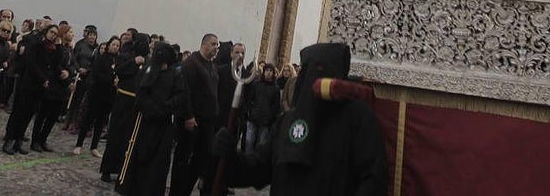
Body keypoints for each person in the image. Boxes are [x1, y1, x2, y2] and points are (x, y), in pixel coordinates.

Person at [211, 43, 388, 196]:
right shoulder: (287, 122)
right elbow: (257, 169)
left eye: (316, 70)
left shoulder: (358, 119)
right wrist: (230, 157)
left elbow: (373, 180)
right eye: (305, 70)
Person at [116, 42, 184, 196]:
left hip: (163, 124)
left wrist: (164, 107)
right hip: (144, 121)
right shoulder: (147, 71)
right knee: (138, 156)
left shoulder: (175, 74)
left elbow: (180, 96)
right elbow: (140, 93)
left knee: (158, 162)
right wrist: (150, 109)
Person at [169, 33, 219, 196]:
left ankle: (186, 190)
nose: (216, 47)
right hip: (192, 120)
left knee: (201, 158)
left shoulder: (211, 65)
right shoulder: (191, 63)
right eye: (213, 44)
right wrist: (189, 116)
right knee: (183, 159)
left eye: (217, 45)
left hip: (207, 121)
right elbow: (185, 92)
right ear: (204, 44)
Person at [3, 23, 60, 154]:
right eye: (51, 32)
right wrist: (43, 78)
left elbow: (55, 65)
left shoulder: (54, 49)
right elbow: (31, 63)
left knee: (29, 114)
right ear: (46, 32)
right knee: (19, 112)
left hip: (40, 88)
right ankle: (9, 140)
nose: (53, 35)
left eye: (55, 34)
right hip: (28, 83)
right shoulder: (36, 45)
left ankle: (18, 140)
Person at [100, 32, 149, 181]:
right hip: (123, 99)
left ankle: (123, 169)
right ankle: (107, 170)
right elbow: (119, 70)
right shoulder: (125, 55)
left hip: (136, 104)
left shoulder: (149, 60)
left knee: (129, 138)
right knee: (116, 135)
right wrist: (134, 62)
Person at [30, 24, 73, 152]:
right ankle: (35, 140)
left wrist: (69, 73)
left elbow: (72, 64)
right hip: (53, 84)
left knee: (53, 116)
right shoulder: (55, 47)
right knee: (42, 114)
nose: (71, 35)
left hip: (63, 88)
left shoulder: (69, 49)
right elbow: (55, 62)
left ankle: (43, 139)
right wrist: (62, 73)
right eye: (69, 32)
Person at [74, 36, 118, 156]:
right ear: (109, 45)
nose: (115, 47)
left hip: (109, 96)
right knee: (89, 119)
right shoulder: (101, 58)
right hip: (97, 93)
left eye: (117, 46)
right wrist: (111, 80)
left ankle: (94, 146)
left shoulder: (118, 61)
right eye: (113, 44)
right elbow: (97, 75)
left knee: (101, 122)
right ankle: (79, 144)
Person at [245, 64, 280, 152]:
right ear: (263, 72)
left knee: (261, 143)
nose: (268, 73)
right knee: (249, 140)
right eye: (267, 71)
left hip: (266, 120)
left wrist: (271, 117)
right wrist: (250, 111)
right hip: (253, 117)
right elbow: (249, 99)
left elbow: (275, 105)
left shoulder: (275, 88)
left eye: (270, 71)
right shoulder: (256, 84)